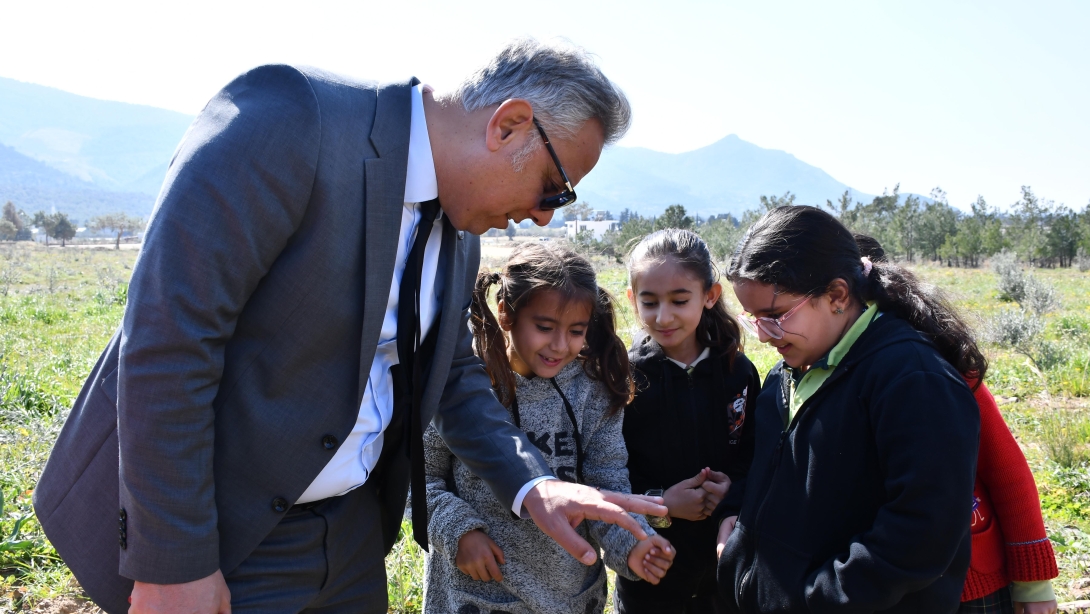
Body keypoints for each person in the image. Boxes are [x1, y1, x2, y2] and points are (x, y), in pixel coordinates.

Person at [31, 39, 667, 614]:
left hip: (354, 541)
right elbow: (169, 343)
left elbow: (451, 375)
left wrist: (533, 486)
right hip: (229, 539)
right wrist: (174, 565)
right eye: (553, 189)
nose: (544, 218)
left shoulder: (460, 228)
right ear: (509, 124)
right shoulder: (289, 118)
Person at [717, 205, 982, 613]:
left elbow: (922, 533)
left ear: (837, 295)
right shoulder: (785, 375)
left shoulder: (913, 381)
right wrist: (735, 537)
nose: (766, 336)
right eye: (754, 320)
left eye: (775, 316)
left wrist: (817, 598)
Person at [422, 242, 675, 613]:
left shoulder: (593, 391)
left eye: (576, 330)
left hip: (569, 599)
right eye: (544, 327)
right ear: (506, 313)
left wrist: (632, 543)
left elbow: (607, 485)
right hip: (476, 597)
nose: (559, 345)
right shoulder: (461, 387)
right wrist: (459, 533)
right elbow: (419, 479)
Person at [853, 234, 1059, 614]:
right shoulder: (824, 375)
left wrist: (1033, 584)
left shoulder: (935, 367)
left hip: (974, 587)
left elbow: (1006, 469)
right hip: (888, 585)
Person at [614, 229, 760, 614]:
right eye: (649, 302)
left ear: (709, 296)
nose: (663, 317)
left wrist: (732, 492)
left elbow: (754, 454)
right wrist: (660, 504)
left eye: (680, 300)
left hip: (725, 571)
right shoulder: (622, 380)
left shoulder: (738, 373)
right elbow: (604, 473)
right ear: (633, 300)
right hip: (650, 571)